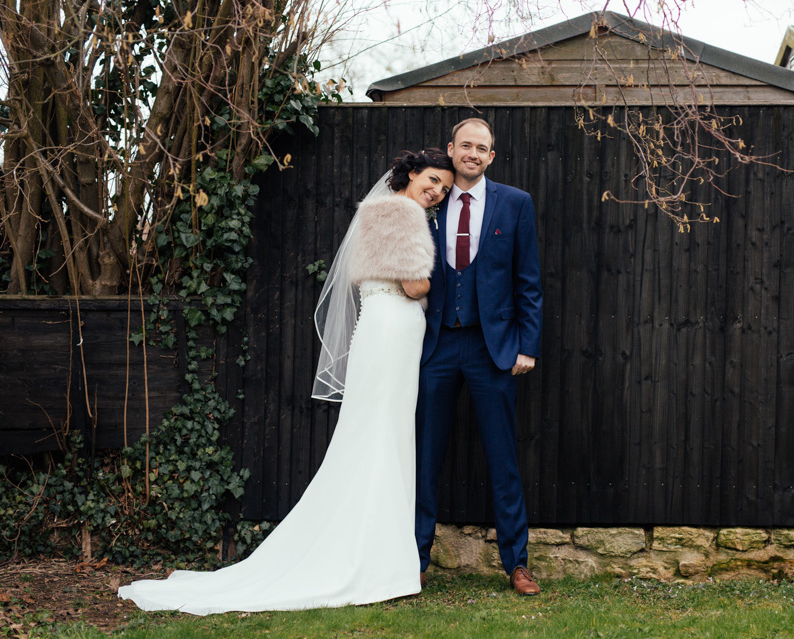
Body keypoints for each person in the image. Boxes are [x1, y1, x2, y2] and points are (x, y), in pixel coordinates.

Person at [118, 149, 454, 615]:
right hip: (393, 328)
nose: (436, 191)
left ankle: (375, 556)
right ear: (411, 174)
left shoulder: (377, 210)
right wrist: (449, 282)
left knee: (373, 438)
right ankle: (375, 562)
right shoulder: (405, 214)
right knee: (384, 438)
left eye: (443, 187)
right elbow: (416, 287)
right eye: (432, 180)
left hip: (381, 326)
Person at [415, 118, 544, 596]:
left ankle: (518, 563)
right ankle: (416, 557)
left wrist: (527, 345)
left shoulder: (515, 204)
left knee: (503, 458)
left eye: (482, 148)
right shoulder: (430, 199)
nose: (472, 153)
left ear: (492, 156)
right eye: (465, 145)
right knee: (426, 455)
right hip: (437, 346)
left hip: (493, 350)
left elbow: (527, 282)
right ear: (451, 150)